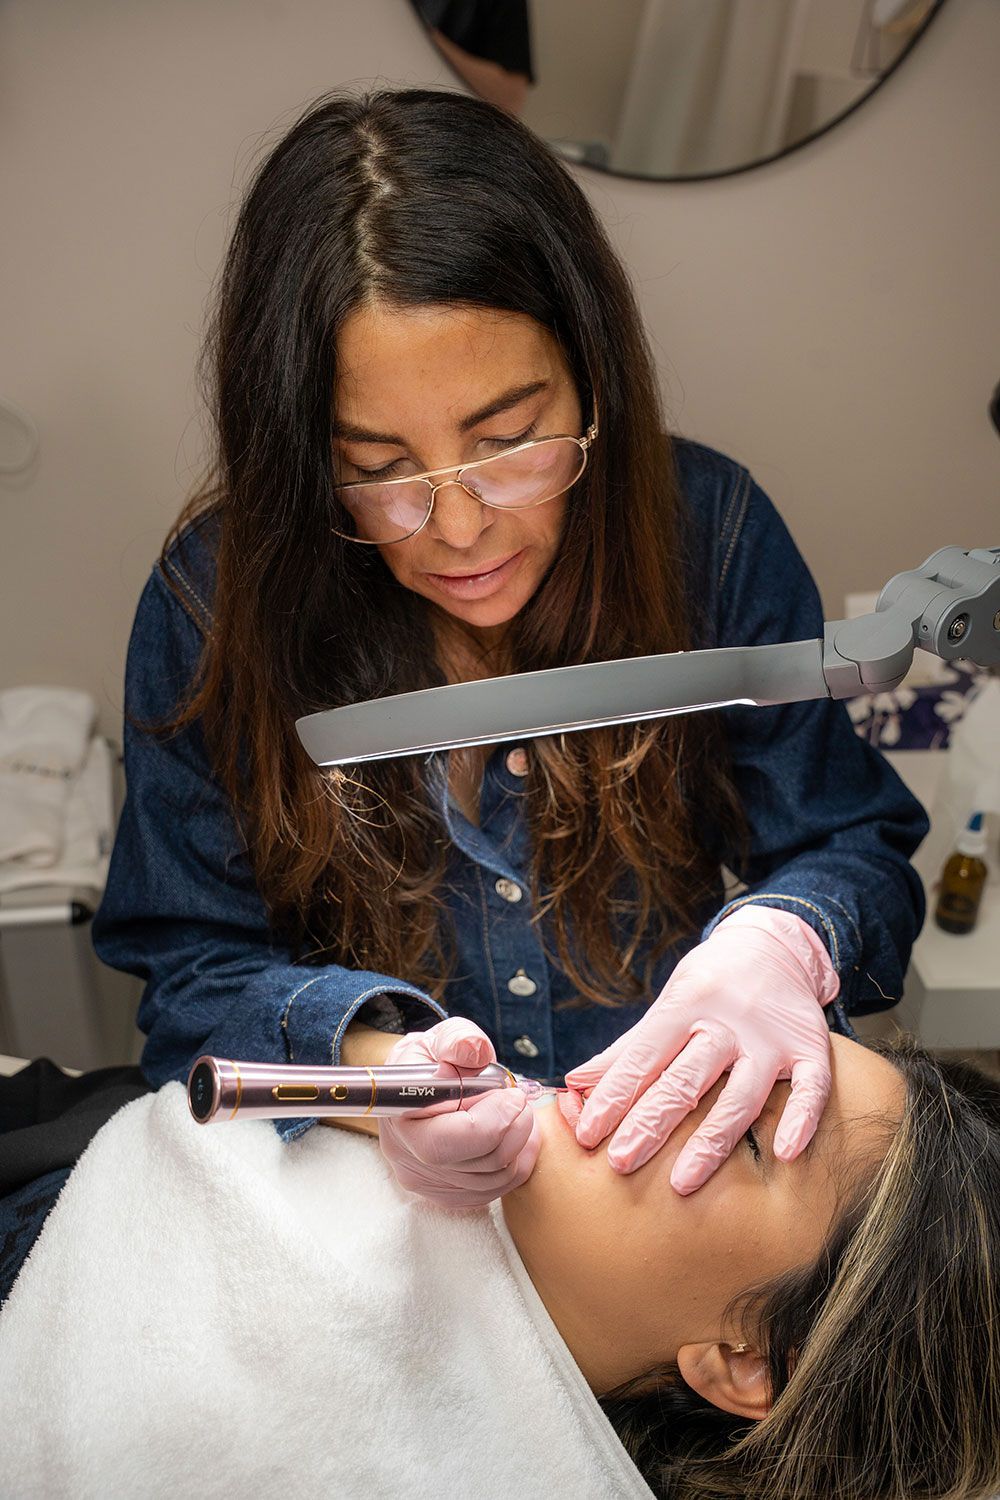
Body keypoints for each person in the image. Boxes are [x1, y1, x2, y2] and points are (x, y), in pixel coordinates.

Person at [86, 86, 928, 1219]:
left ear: (592, 379)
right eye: (379, 466)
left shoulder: (706, 534)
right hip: (378, 1210)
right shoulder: (210, 604)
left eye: (508, 439)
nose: (461, 526)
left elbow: (851, 844)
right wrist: (378, 1081)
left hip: (661, 1184)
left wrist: (785, 941)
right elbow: (192, 976)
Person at [1, 1032, 998, 1500]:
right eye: (732, 1059)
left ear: (747, 1363)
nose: (672, 1082)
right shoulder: (443, 1095)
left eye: (745, 1136)